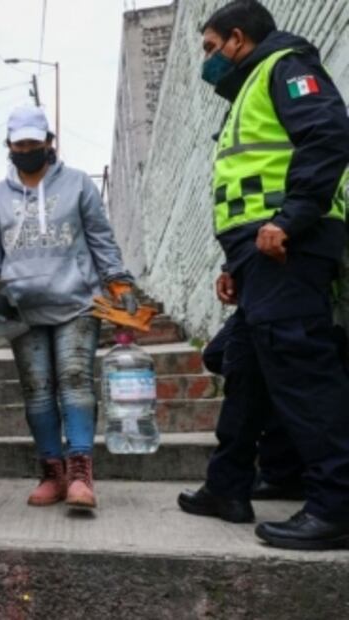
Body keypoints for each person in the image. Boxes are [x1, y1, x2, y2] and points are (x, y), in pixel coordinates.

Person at [176, 0, 349, 550]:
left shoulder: (287, 68)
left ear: (236, 39)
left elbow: (329, 137)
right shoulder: (252, 88)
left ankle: (337, 504)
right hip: (258, 256)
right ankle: (227, 485)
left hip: (286, 249)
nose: (207, 61)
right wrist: (233, 263)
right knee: (245, 368)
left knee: (302, 371)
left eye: (210, 48)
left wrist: (291, 219)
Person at [0, 105, 137, 510]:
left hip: (77, 302)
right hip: (23, 309)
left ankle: (81, 472)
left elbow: (100, 238)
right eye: (20, 144)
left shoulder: (80, 185)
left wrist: (118, 280)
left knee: (74, 380)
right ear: (9, 147)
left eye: (35, 142)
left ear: (50, 143)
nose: (28, 149)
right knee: (37, 393)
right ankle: (52, 473)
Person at [200, 314, 304, 508]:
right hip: (258, 298)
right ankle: (279, 472)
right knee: (222, 354)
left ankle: (277, 473)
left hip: (279, 299)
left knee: (257, 359)